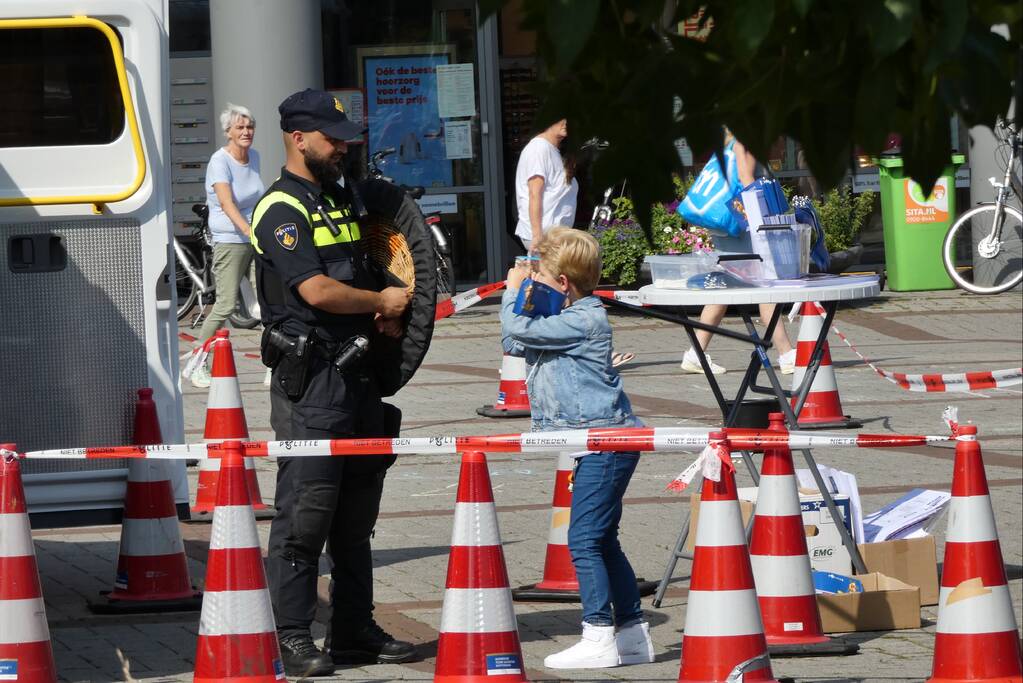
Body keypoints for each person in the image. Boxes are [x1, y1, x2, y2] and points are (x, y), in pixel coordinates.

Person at [250, 88, 415, 678]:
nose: (342, 148)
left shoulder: (339, 199)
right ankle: (293, 636)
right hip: (313, 383)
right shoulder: (281, 210)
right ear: (298, 138)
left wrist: (390, 312)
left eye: (345, 139)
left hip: (357, 377)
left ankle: (353, 629)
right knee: (306, 515)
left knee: (355, 517)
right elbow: (316, 291)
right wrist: (381, 299)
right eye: (331, 139)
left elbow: (366, 267)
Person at [500, 227, 654, 670]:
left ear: (563, 283)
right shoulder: (559, 316)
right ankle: (631, 634)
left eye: (541, 277)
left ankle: (598, 634)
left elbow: (512, 325)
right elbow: (514, 341)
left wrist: (513, 293)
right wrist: (529, 295)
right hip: (596, 440)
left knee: (583, 539)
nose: (532, 282)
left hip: (607, 441)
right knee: (603, 540)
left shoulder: (585, 319)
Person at [680, 136, 795, 375]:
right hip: (740, 225)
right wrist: (760, 224)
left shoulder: (727, 142)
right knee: (766, 283)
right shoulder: (746, 140)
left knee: (726, 287)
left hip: (725, 225)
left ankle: (696, 352)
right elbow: (746, 181)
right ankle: (786, 354)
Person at [188, 103, 265, 388]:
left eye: (249, 127)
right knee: (224, 304)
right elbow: (226, 202)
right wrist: (247, 230)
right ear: (228, 132)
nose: (246, 132)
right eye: (240, 127)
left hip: (256, 237)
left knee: (267, 302)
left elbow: (257, 198)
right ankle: (197, 363)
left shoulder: (254, 156)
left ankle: (273, 364)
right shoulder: (219, 161)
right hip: (231, 240)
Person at [514, 117, 578, 252]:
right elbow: (534, 193)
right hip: (545, 238)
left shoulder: (553, 150)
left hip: (555, 237)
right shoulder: (538, 148)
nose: (567, 123)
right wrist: (537, 236)